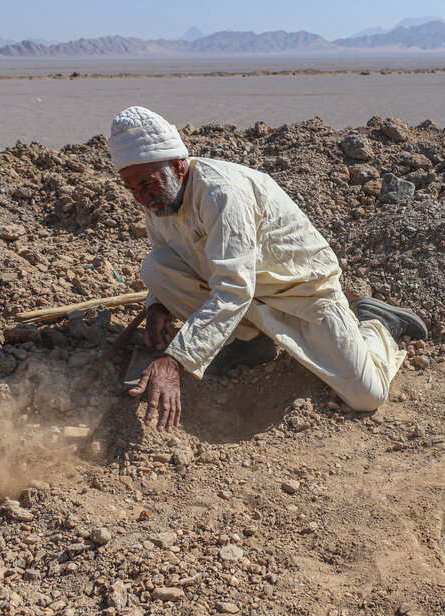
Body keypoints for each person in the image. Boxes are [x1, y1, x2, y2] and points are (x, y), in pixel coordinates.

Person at [108, 106, 427, 432]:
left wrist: (177, 359)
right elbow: (169, 257)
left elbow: (233, 288)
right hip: (244, 291)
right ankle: (247, 344)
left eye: (147, 183)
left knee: (366, 395)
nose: (141, 197)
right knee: (156, 267)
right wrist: (158, 305)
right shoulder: (158, 200)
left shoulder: (221, 193)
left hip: (299, 292)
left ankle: (376, 322)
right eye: (132, 188)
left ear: (177, 165)